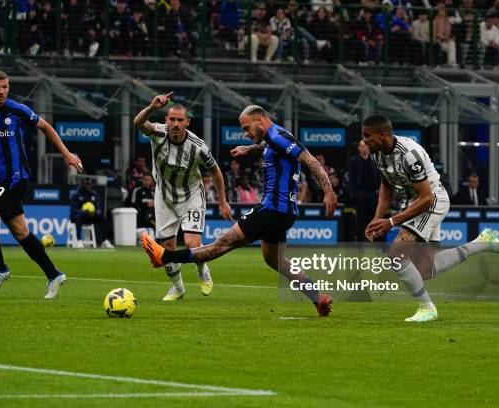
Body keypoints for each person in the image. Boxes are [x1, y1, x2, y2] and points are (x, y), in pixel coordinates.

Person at [141, 104, 338, 316]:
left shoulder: (278, 136)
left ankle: (165, 256)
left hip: (271, 210)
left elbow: (309, 159)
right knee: (275, 260)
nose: (245, 133)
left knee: (221, 245)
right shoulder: (276, 136)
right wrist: (249, 148)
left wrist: (328, 191)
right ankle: (318, 299)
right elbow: (273, 147)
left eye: (246, 128)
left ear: (259, 120)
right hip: (284, 213)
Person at [362, 114, 499, 322]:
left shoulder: (409, 154)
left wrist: (390, 222)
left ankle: (427, 308)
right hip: (413, 203)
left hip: (432, 201)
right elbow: (386, 192)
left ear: (382, 135)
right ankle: (483, 242)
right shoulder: (377, 155)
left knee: (397, 254)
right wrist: (376, 219)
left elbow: (426, 197)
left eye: (367, 136)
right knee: (426, 270)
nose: (364, 141)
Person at [0, 70, 83, 298]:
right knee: (21, 232)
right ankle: (53, 274)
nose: (1, 92)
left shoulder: (17, 110)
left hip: (16, 179)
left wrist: (66, 154)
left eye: (5, 87)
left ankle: (0, 269)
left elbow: (45, 126)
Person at [134, 92, 233, 301]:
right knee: (166, 249)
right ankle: (178, 288)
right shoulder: (157, 134)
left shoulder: (198, 146)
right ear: (166, 120)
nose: (176, 124)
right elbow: (138, 122)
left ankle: (202, 269)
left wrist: (223, 202)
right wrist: (152, 107)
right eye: (172, 119)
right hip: (164, 197)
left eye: (180, 120)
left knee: (191, 243)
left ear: (187, 122)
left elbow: (215, 171)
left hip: (192, 196)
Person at [348, 140, 380, 242]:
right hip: (359, 194)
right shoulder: (353, 161)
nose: (364, 148)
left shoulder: (375, 161)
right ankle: (360, 243)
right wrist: (354, 193)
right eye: (362, 146)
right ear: (359, 148)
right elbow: (351, 179)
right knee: (359, 220)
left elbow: (380, 176)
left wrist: (379, 191)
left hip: (373, 194)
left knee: (375, 220)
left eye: (366, 146)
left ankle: (376, 242)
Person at [69, 177, 114, 249]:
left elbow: (98, 208)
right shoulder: (75, 195)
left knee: (102, 218)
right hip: (78, 216)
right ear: (82, 184)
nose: (88, 186)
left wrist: (95, 212)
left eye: (89, 184)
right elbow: (73, 210)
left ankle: (105, 240)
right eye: (86, 184)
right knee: (78, 217)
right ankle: (79, 240)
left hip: (90, 216)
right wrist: (83, 212)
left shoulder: (93, 194)